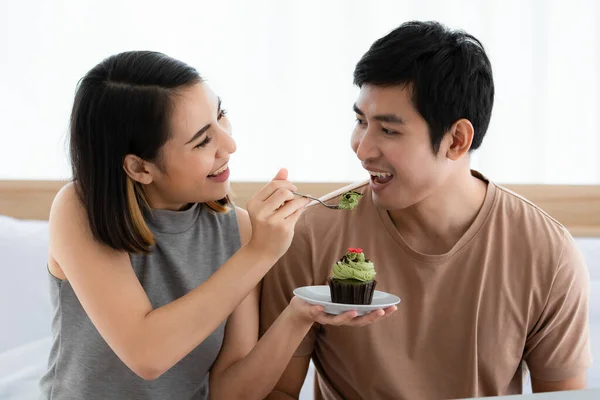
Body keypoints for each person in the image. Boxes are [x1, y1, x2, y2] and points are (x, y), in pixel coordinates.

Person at [260, 20, 591, 399]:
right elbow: (278, 393)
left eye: (389, 130)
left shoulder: (547, 253)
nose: (362, 148)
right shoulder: (312, 233)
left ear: (456, 140)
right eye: (360, 121)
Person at [39, 51, 396, 400]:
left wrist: (301, 314)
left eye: (220, 115)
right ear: (139, 168)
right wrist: (259, 253)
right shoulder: (79, 209)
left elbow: (230, 393)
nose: (230, 144)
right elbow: (147, 355)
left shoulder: (235, 229)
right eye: (202, 141)